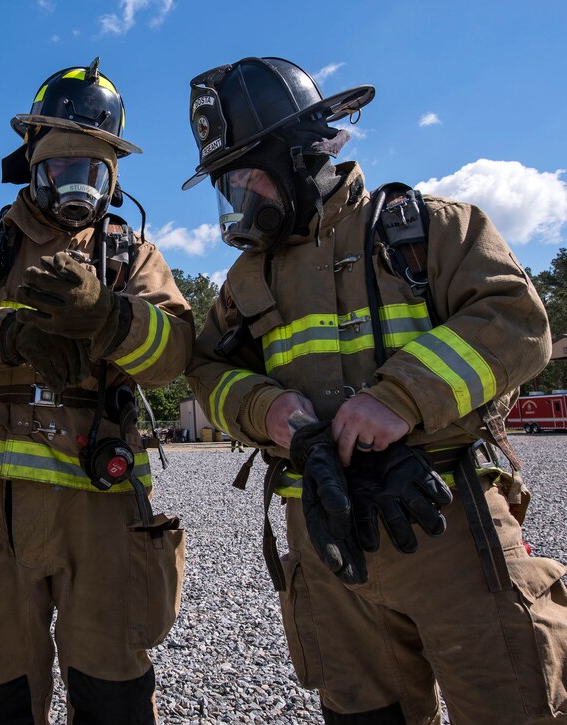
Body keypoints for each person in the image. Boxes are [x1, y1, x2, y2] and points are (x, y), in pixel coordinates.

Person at [183, 56, 567, 723]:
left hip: (446, 519)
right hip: (324, 541)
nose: (241, 199)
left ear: (300, 154)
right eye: (229, 183)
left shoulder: (424, 228)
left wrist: (399, 397)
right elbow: (205, 370)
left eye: (249, 176)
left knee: (516, 702)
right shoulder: (247, 282)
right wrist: (266, 409)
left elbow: (517, 323)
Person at [0, 59, 193, 724]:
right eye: (60, 171)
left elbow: (175, 351)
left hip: (103, 501)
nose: (74, 188)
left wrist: (113, 317)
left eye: (90, 174)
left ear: (113, 180)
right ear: (30, 167)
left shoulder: (131, 255)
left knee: (112, 682)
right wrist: (4, 335)